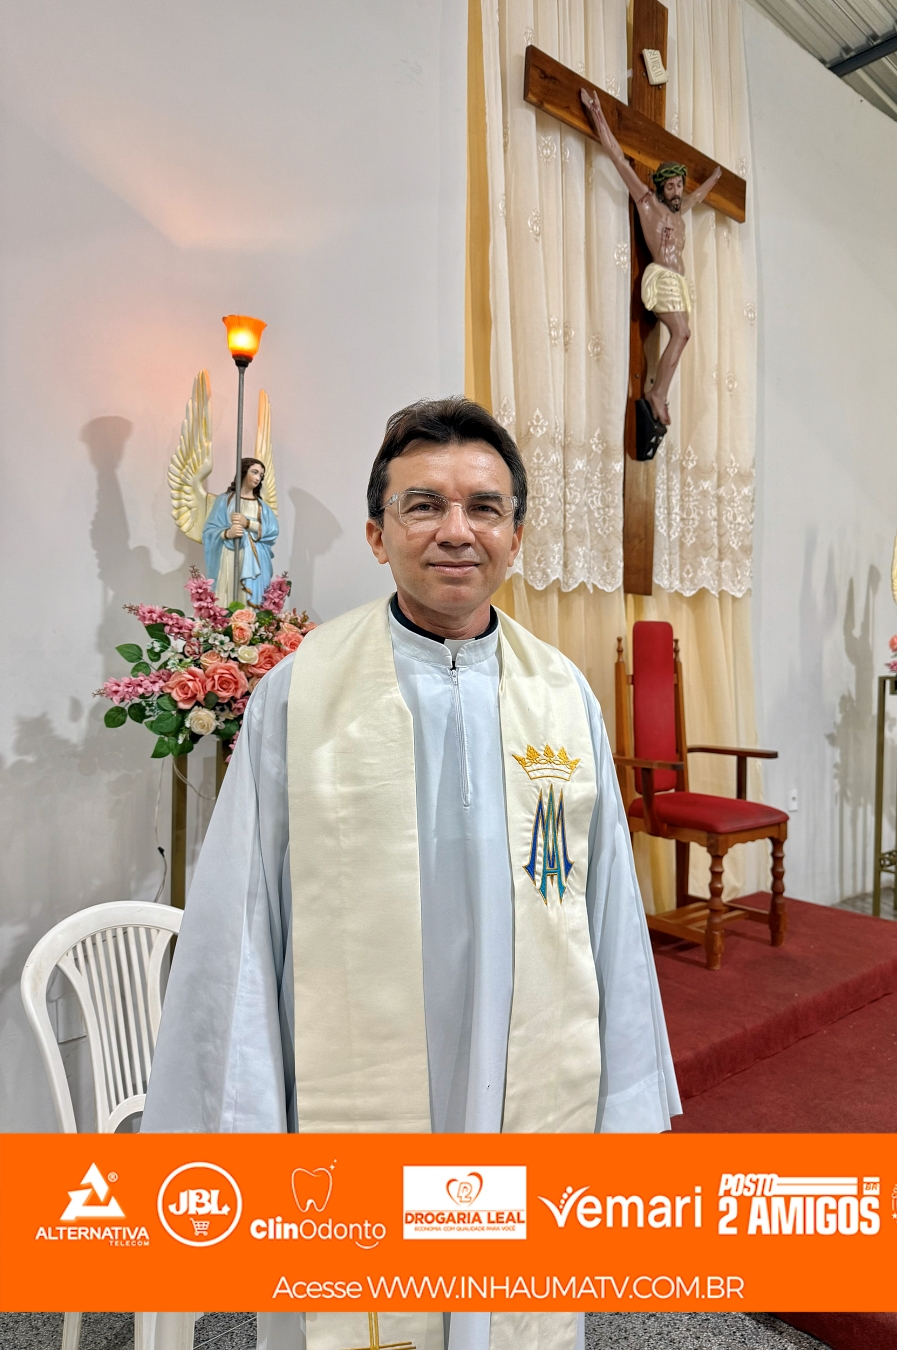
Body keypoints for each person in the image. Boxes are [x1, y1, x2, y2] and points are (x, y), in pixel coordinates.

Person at [143, 397, 679, 1350]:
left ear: (516, 534)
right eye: (423, 505)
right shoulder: (301, 690)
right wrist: (246, 1108)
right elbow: (240, 915)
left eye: (484, 507)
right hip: (359, 1069)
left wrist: (625, 1101)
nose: (456, 531)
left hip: (518, 1063)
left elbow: (607, 914)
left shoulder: (562, 695)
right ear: (377, 532)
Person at [580, 88, 723, 459]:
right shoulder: (648, 204)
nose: (676, 191)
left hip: (679, 283)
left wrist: (716, 177)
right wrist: (598, 114)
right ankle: (658, 394)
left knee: (683, 335)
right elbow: (617, 158)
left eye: (680, 185)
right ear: (660, 186)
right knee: (682, 332)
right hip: (661, 278)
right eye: (670, 185)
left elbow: (699, 197)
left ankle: (659, 393)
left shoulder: (680, 210)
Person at [202, 456, 279, 605]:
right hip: (230, 556)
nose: (258, 478)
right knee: (229, 593)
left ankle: (250, 619)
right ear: (243, 472)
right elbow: (209, 531)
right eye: (254, 472)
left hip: (254, 558)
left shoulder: (262, 506)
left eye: (261, 475)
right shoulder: (225, 500)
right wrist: (227, 533)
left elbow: (272, 530)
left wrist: (248, 523)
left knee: (249, 598)